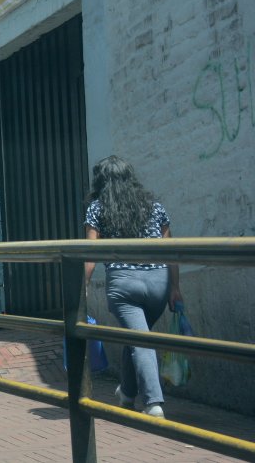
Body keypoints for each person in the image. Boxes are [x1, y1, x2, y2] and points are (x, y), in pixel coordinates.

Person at [84, 155, 181, 420]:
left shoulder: (97, 208)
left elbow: (90, 254)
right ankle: (127, 392)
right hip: (158, 282)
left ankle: (153, 402)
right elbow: (171, 250)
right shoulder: (154, 206)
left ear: (100, 181)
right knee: (138, 337)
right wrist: (175, 287)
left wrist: (83, 285)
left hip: (124, 284)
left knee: (140, 340)